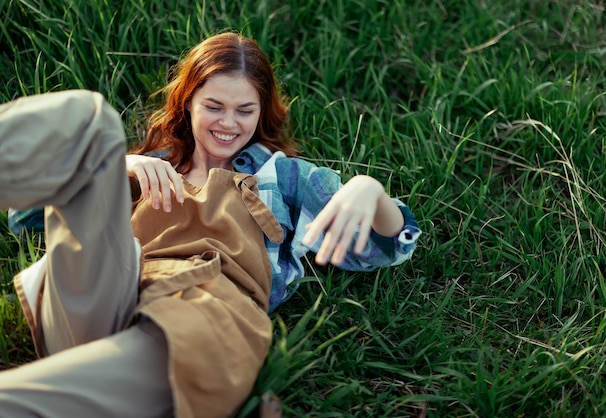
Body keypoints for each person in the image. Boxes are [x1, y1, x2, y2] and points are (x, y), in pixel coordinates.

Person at [0, 32, 420, 417]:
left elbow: (388, 248)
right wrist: (119, 169)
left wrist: (370, 189)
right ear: (188, 103)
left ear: (262, 112)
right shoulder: (152, 165)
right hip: (110, 293)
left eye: (244, 110)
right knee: (91, 120)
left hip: (203, 315)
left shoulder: (285, 178)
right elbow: (30, 217)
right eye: (214, 106)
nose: (228, 123)